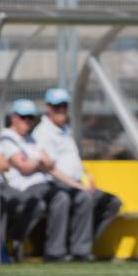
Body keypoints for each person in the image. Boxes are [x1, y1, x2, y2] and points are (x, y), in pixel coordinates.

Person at [33, 88, 121, 244]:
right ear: (48, 108)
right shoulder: (42, 133)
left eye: (64, 106)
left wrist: (87, 175)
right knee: (82, 198)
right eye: (57, 106)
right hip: (57, 185)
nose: (61, 110)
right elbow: (49, 168)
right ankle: (74, 249)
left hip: (76, 183)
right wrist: (77, 185)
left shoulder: (66, 130)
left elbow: (73, 159)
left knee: (112, 202)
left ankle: (83, 243)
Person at [0, 99, 75, 262]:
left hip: (41, 184)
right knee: (31, 203)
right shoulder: (7, 137)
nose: (27, 121)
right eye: (23, 117)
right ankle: (9, 245)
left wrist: (76, 184)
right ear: (14, 117)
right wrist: (39, 161)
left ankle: (55, 252)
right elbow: (20, 166)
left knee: (63, 197)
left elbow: (50, 163)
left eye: (30, 118)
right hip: (21, 186)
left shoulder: (31, 139)